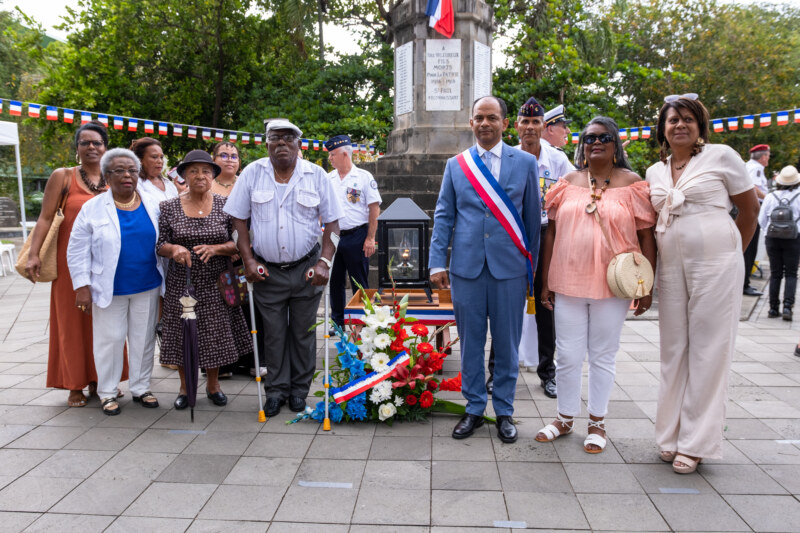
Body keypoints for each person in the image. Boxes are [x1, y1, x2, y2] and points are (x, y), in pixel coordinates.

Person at [647, 94, 758, 474]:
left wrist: (732, 257)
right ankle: (670, 435)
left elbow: (750, 209)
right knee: (673, 349)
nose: (680, 125)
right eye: (672, 119)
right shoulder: (654, 172)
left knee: (709, 350)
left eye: (687, 119)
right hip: (671, 268)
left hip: (717, 263)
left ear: (700, 125)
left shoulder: (722, 155)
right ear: (662, 128)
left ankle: (695, 444)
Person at [535, 117, 656, 454]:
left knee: (603, 356)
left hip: (613, 286)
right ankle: (564, 417)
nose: (596, 143)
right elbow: (552, 234)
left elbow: (647, 236)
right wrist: (546, 281)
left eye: (604, 137)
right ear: (581, 146)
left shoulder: (633, 184)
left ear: (616, 144)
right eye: (589, 138)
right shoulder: (567, 182)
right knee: (569, 356)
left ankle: (597, 422)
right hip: (568, 282)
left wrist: (647, 285)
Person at [429, 96, 540, 444]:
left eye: (492, 117)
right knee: (472, 344)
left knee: (508, 344)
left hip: (509, 269)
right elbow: (444, 215)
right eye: (479, 117)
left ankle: (504, 410)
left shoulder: (524, 163)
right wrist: (436, 261)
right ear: (471, 123)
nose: (485, 123)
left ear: (505, 123)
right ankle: (475, 407)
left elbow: (532, 222)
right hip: (467, 268)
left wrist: (530, 272)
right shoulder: (456, 165)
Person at [225, 119, 343, 417]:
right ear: (266, 143)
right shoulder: (252, 173)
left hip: (306, 269)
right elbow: (237, 220)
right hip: (266, 271)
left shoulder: (316, 175)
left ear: (298, 145)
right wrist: (248, 260)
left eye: (288, 139)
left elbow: (332, 223)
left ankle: (299, 392)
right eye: (275, 138)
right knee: (274, 334)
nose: (281, 143)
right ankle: (276, 391)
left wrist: (325, 263)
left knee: (303, 333)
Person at [24, 121, 125, 407]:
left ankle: (104, 380)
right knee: (71, 323)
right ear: (77, 148)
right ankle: (74, 384)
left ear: (106, 147)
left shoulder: (116, 177)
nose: (91, 147)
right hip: (72, 265)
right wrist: (34, 254)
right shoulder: (63, 176)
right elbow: (45, 218)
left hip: (110, 264)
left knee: (108, 323)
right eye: (85, 143)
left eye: (97, 143)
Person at [486, 97, 574, 399]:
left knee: (546, 306)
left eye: (536, 122)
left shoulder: (558, 161)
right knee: (505, 306)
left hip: (546, 237)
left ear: (543, 127)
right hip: (513, 238)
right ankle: (496, 373)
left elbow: (574, 193)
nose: (530, 128)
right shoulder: (505, 158)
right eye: (525, 122)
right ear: (517, 127)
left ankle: (548, 373)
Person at [67, 148, 163, 415]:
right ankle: (107, 392)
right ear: (107, 175)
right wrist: (82, 286)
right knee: (109, 340)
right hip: (108, 287)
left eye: (132, 170)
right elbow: (77, 250)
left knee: (143, 339)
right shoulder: (93, 208)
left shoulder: (152, 202)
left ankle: (141, 387)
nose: (127, 175)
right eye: (119, 170)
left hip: (147, 284)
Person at [156, 150, 252, 409]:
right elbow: (160, 243)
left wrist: (217, 249)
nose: (200, 176)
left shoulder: (226, 205)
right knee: (183, 335)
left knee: (214, 335)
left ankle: (213, 385)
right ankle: (186, 389)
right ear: (184, 175)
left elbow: (239, 243)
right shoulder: (168, 207)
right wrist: (174, 250)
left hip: (216, 282)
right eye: (194, 171)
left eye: (206, 171)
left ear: (213, 176)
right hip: (183, 281)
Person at [325, 134, 382, 329]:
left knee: (359, 281)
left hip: (357, 236)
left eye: (332, 155)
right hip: (333, 237)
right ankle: (338, 322)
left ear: (344, 154)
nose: (330, 159)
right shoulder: (328, 178)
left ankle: (365, 320)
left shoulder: (364, 178)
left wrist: (370, 238)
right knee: (335, 281)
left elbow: (374, 208)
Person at [759, 165, 800, 321]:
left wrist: (769, 232)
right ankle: (788, 307)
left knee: (775, 273)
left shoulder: (771, 196)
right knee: (791, 273)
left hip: (773, 238)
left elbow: (762, 220)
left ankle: (773, 308)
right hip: (794, 238)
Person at [743, 144, 771, 296]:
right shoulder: (756, 168)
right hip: (753, 210)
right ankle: (744, 284)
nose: (768, 158)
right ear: (763, 156)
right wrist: (768, 199)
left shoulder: (751, 166)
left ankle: (744, 282)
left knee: (748, 248)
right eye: (767, 155)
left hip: (749, 210)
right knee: (750, 248)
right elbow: (752, 188)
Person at [131, 137, 179, 203]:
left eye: (161, 157)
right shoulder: (135, 184)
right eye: (154, 157)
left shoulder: (168, 183)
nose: (160, 161)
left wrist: (182, 193)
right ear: (140, 159)